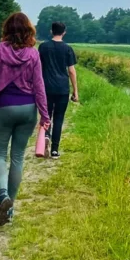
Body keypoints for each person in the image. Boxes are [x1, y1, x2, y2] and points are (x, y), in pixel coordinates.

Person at [0, 12, 50, 227]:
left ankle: (3, 195)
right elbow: (39, 85)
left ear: (7, 29)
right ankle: (10, 210)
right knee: (18, 157)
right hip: (27, 108)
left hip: (4, 106)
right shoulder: (32, 54)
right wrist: (45, 115)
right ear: (28, 30)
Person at [38, 21, 79, 158]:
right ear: (64, 32)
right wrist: (75, 91)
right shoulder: (67, 49)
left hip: (46, 88)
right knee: (59, 118)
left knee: (46, 116)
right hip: (62, 89)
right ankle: (55, 150)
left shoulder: (43, 47)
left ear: (51, 31)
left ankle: (46, 136)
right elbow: (72, 71)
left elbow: (37, 68)